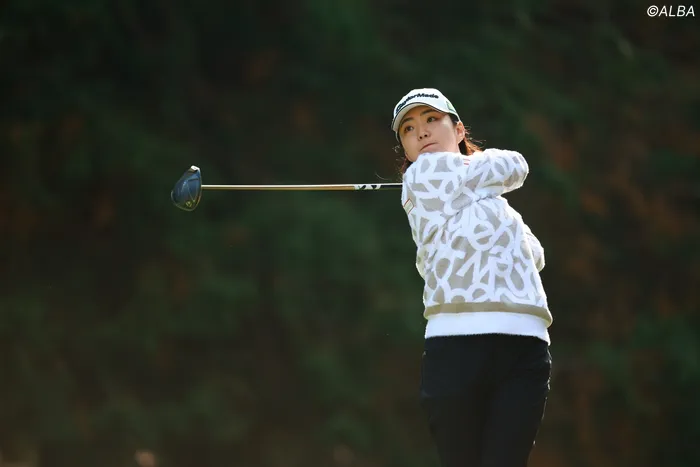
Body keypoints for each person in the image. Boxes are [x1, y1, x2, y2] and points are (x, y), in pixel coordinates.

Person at [391, 88, 553, 467]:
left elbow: (535, 254)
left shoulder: (490, 198)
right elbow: (514, 165)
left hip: (525, 348)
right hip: (457, 347)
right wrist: (477, 183)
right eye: (408, 128)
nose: (421, 131)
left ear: (459, 130)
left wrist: (476, 195)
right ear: (407, 150)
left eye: (432, 119)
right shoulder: (421, 176)